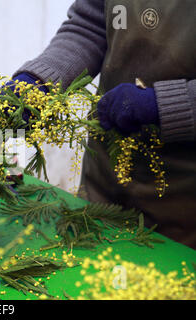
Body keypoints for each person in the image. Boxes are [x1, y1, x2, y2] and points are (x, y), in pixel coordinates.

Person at [10, 0, 196, 248]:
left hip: (182, 203)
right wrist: (39, 81)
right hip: (104, 179)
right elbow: (91, 25)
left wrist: (163, 105)